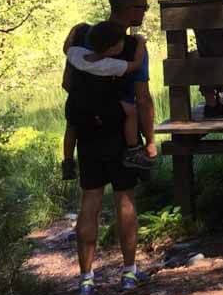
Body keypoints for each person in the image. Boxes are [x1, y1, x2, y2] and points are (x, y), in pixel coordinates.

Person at [61, 0, 157, 295]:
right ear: (127, 9)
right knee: (125, 199)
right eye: (142, 6)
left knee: (89, 201)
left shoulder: (82, 35)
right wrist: (149, 139)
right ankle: (129, 273)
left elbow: (67, 84)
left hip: (86, 130)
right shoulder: (132, 48)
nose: (145, 11)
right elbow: (143, 99)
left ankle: (86, 279)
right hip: (120, 131)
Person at [62, 22, 154, 178]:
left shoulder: (76, 54)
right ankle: (132, 150)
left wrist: (76, 29)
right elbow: (136, 64)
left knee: (71, 127)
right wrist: (140, 42)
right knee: (131, 112)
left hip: (75, 104)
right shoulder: (110, 65)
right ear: (111, 49)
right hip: (101, 107)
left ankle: (68, 162)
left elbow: (67, 49)